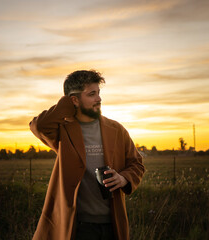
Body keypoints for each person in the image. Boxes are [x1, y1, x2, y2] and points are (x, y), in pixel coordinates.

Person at [29, 70, 145, 240]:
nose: (99, 99)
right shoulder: (63, 130)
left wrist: (123, 178)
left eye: (98, 93)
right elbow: (39, 126)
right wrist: (67, 104)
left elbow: (137, 164)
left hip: (113, 223)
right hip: (78, 226)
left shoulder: (116, 130)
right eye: (91, 94)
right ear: (74, 100)